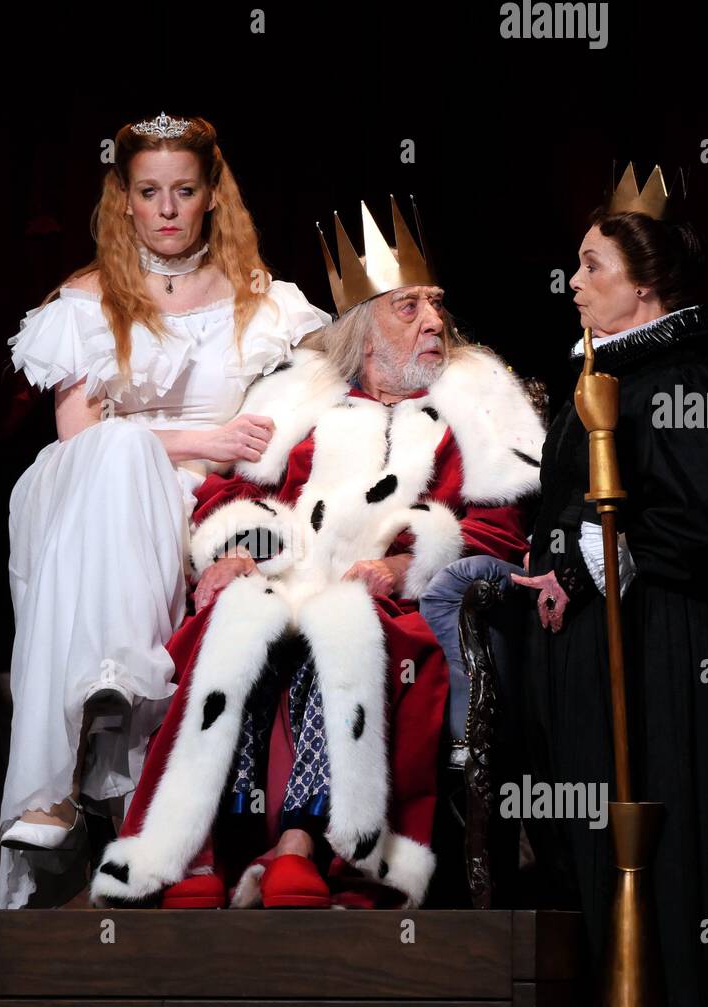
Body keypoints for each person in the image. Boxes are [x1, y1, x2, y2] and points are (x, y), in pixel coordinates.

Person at [89, 199, 545, 909]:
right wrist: (240, 550)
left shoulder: (475, 408)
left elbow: (498, 531)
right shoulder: (300, 402)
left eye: (436, 307)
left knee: (343, 626)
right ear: (364, 331)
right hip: (289, 581)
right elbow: (227, 501)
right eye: (409, 308)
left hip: (398, 605)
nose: (434, 323)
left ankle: (305, 844)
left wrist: (408, 564)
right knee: (239, 618)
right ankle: (199, 851)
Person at [0, 113, 331, 908]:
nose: (169, 210)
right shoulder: (84, 300)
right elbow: (81, 435)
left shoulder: (267, 304)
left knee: (136, 457)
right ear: (124, 199)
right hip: (93, 497)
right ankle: (82, 731)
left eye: (185, 191)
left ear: (214, 194)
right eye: (150, 193)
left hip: (210, 505)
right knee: (116, 455)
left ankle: (104, 737)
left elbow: (306, 427)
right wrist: (205, 435)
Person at [510, 165, 708, 1007]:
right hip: (595, 639)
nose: (576, 282)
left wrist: (606, 555)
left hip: (662, 645)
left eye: (593, 266)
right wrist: (557, 559)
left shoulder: (681, 371)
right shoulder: (602, 372)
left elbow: (701, 513)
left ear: (644, 284)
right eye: (575, 264)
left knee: (664, 822)